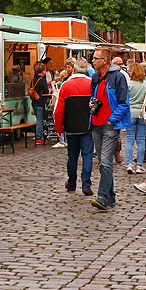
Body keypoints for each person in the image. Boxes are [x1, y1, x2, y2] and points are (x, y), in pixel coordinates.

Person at [88, 47, 131, 211]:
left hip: (108, 125)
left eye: (95, 58)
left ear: (105, 61)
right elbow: (93, 96)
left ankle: (103, 197)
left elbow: (123, 103)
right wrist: (91, 103)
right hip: (96, 124)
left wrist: (112, 120)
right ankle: (111, 196)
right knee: (102, 163)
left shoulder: (118, 77)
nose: (93, 61)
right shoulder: (95, 77)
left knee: (106, 162)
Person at [54, 59, 94, 196]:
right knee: (87, 156)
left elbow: (59, 110)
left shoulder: (66, 85)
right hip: (87, 126)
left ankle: (71, 183)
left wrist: (59, 128)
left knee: (72, 157)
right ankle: (86, 184)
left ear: (74, 70)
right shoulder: (91, 84)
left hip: (71, 127)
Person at [125, 62, 146, 174]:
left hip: (130, 113)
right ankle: (139, 165)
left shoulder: (128, 84)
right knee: (141, 140)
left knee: (129, 140)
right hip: (143, 113)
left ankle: (129, 164)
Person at [30, 63, 51, 145]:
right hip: (40, 101)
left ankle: (39, 136)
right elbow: (46, 91)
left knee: (38, 119)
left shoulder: (33, 79)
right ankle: (39, 137)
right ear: (43, 70)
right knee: (40, 120)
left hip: (34, 101)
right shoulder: (42, 80)